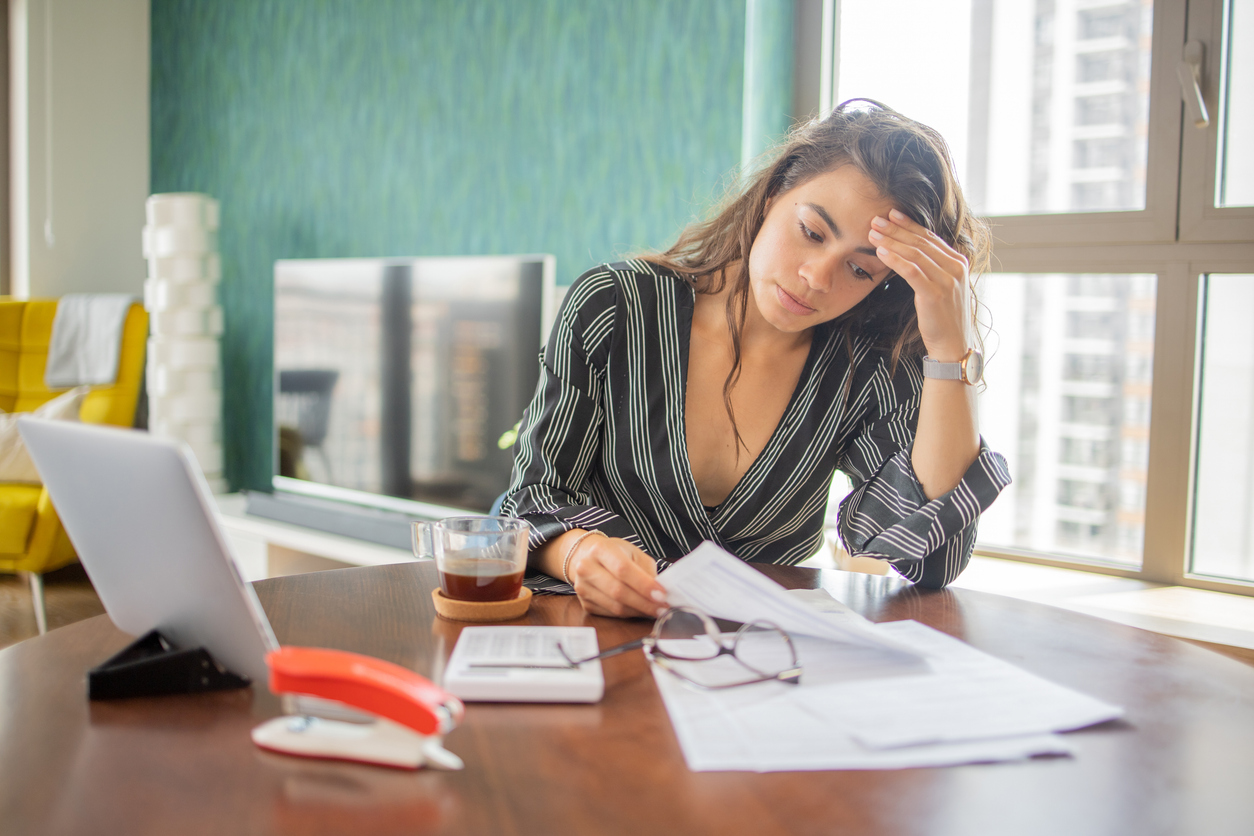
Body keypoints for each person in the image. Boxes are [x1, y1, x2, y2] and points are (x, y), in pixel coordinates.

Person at [500, 100, 1010, 619]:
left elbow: (933, 559)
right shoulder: (615, 307)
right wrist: (579, 553)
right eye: (812, 232)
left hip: (767, 668)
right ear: (773, 193)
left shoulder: (867, 369)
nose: (817, 276)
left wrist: (951, 352)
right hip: (601, 650)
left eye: (860, 270)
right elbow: (530, 499)